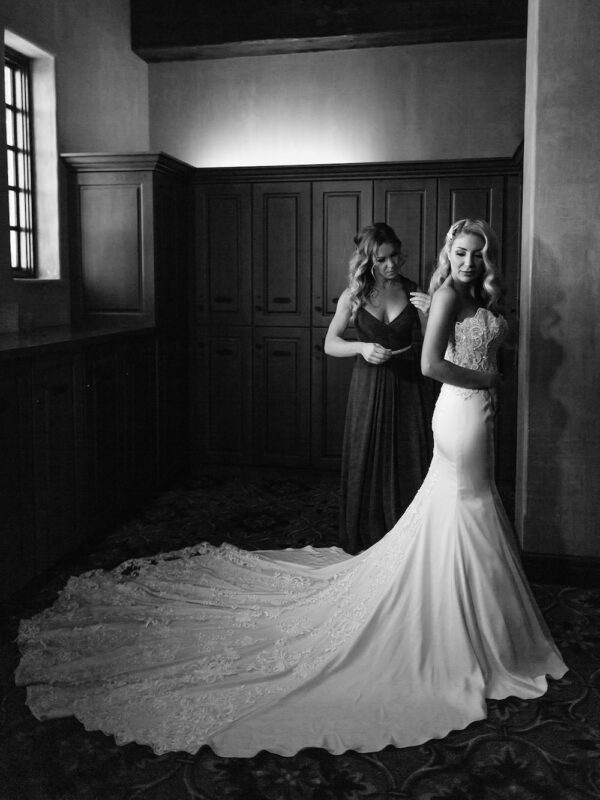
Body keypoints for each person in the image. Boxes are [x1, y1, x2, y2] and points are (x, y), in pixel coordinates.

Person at [15, 219, 567, 759]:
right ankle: (443, 601)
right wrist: (476, 377)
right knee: (459, 502)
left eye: (478, 252)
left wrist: (474, 355)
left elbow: (449, 346)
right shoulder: (415, 295)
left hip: (445, 405)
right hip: (432, 402)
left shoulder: (443, 296)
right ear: (442, 254)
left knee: (454, 505)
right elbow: (406, 357)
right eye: (461, 251)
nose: (469, 260)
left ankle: (463, 608)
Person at [324, 222, 436, 553]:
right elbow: (330, 343)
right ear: (368, 260)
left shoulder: (414, 291)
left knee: (409, 455)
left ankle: (409, 537)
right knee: (367, 455)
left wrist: (430, 313)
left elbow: (432, 343)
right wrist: (361, 347)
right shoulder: (354, 295)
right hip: (368, 384)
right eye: (382, 259)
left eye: (395, 256)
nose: (391, 265)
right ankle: (366, 534)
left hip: (408, 383)